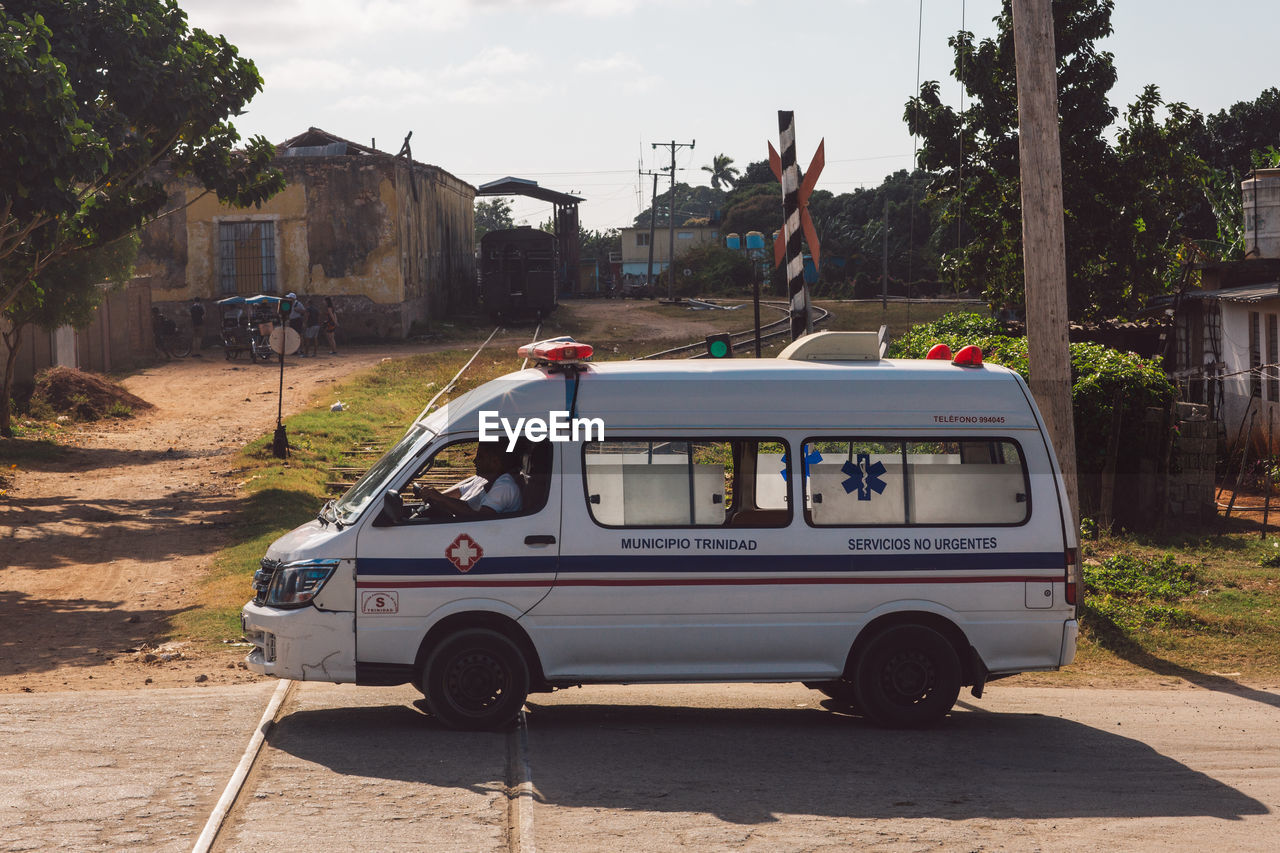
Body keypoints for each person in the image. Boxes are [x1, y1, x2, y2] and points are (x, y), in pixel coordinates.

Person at [412, 443, 522, 518]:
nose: (474, 461)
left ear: (495, 462)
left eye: (480, 457)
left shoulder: (504, 486)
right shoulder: (482, 480)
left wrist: (441, 499)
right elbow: (463, 500)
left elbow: (480, 519)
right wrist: (434, 496)